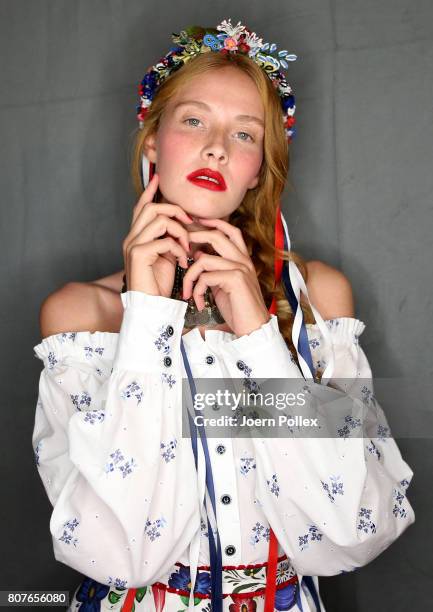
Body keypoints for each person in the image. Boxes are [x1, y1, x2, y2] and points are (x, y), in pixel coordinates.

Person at [32, 20, 415, 612]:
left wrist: (260, 340)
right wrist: (148, 321)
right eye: (194, 121)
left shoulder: (317, 301)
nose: (217, 146)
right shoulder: (83, 316)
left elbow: (354, 530)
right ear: (153, 140)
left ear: (259, 167)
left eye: (244, 134)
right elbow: (122, 557)